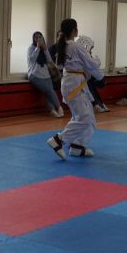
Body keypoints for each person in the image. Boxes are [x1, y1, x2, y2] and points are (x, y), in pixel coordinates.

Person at [46, 19, 105, 159]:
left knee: (89, 119)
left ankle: (78, 146)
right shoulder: (74, 46)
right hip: (74, 85)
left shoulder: (63, 45)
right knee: (85, 118)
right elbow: (91, 64)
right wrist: (98, 62)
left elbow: (60, 65)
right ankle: (59, 139)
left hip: (71, 83)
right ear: (74, 30)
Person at [27, 31, 64, 118]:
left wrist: (45, 49)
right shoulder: (31, 48)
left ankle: (51, 110)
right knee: (50, 91)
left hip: (46, 74)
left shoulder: (44, 48)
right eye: (36, 38)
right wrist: (37, 48)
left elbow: (49, 60)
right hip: (35, 75)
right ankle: (59, 107)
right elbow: (32, 59)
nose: (38, 39)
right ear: (33, 39)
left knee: (49, 91)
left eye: (40, 37)